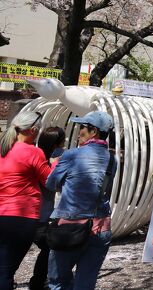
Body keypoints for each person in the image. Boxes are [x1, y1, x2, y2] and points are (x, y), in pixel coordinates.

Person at [46, 111, 117, 290]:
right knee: (86, 283)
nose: (79, 132)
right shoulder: (112, 159)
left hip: (70, 226)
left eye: (82, 128)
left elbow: (50, 183)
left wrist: (57, 167)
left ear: (94, 131)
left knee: (58, 281)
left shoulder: (71, 155)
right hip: (100, 227)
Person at [0, 111, 49, 290]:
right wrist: (57, 164)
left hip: (2, 212)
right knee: (6, 271)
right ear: (33, 130)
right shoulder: (34, 152)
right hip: (21, 217)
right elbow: (49, 181)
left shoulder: (3, 148)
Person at [30, 127, 66, 290]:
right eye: (62, 142)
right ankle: (37, 282)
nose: (64, 146)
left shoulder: (35, 156)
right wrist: (56, 164)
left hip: (28, 214)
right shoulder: (45, 162)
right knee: (48, 248)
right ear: (55, 145)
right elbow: (52, 184)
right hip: (40, 216)